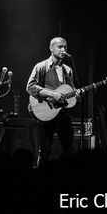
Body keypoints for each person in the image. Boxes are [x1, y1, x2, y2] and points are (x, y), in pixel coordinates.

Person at [26, 36, 80, 167]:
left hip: (63, 113)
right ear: (51, 48)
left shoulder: (68, 70)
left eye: (65, 47)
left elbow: (69, 91)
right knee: (45, 150)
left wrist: (76, 94)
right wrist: (52, 94)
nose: (63, 50)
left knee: (69, 149)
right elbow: (30, 87)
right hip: (46, 112)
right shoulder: (41, 66)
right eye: (59, 47)